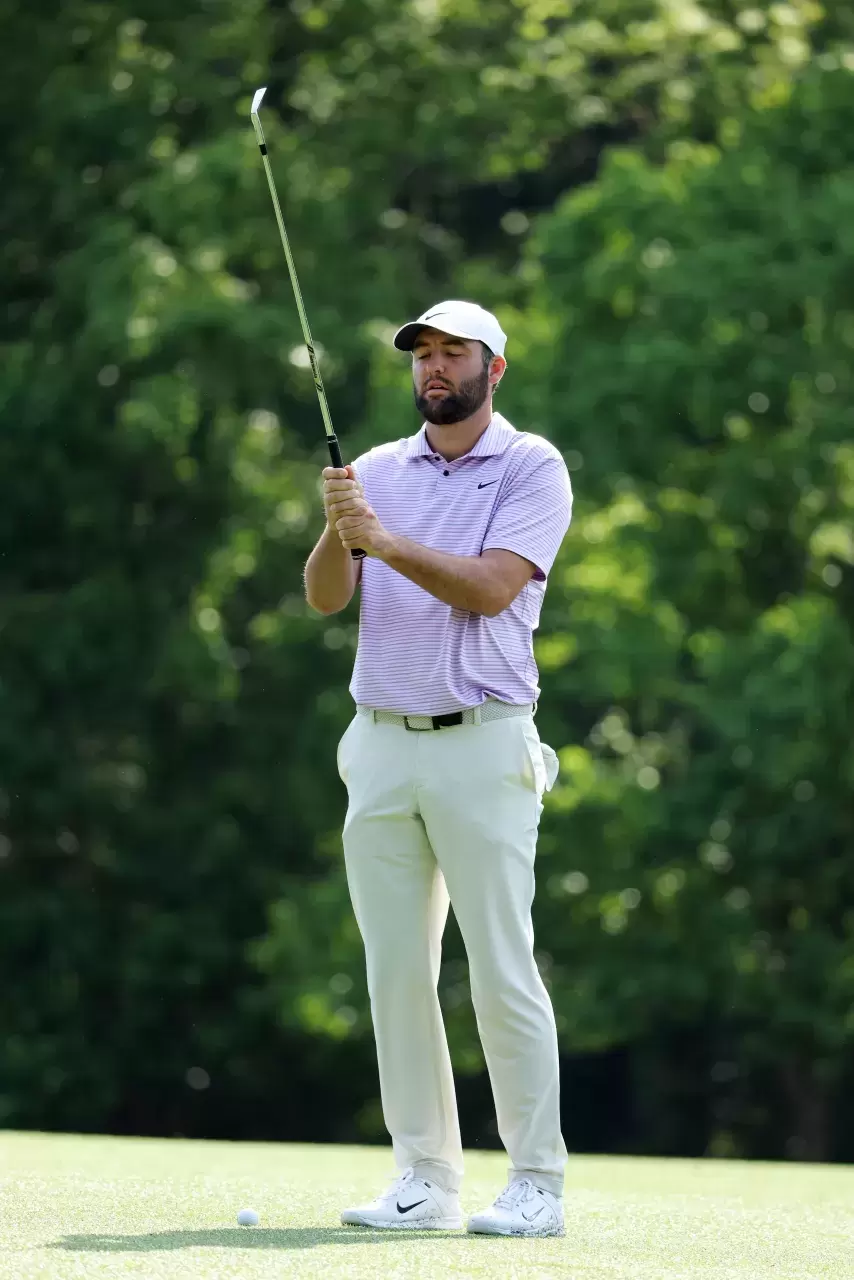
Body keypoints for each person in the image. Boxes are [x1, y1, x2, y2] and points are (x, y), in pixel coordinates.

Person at [304, 300, 573, 1237]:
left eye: (454, 351)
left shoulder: (532, 466)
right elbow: (325, 598)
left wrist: (384, 540)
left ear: (494, 368)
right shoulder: (375, 470)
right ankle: (425, 1179)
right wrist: (339, 529)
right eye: (423, 352)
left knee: (502, 969)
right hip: (379, 741)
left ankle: (536, 1181)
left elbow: (492, 586)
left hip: (484, 740)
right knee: (395, 975)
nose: (434, 366)